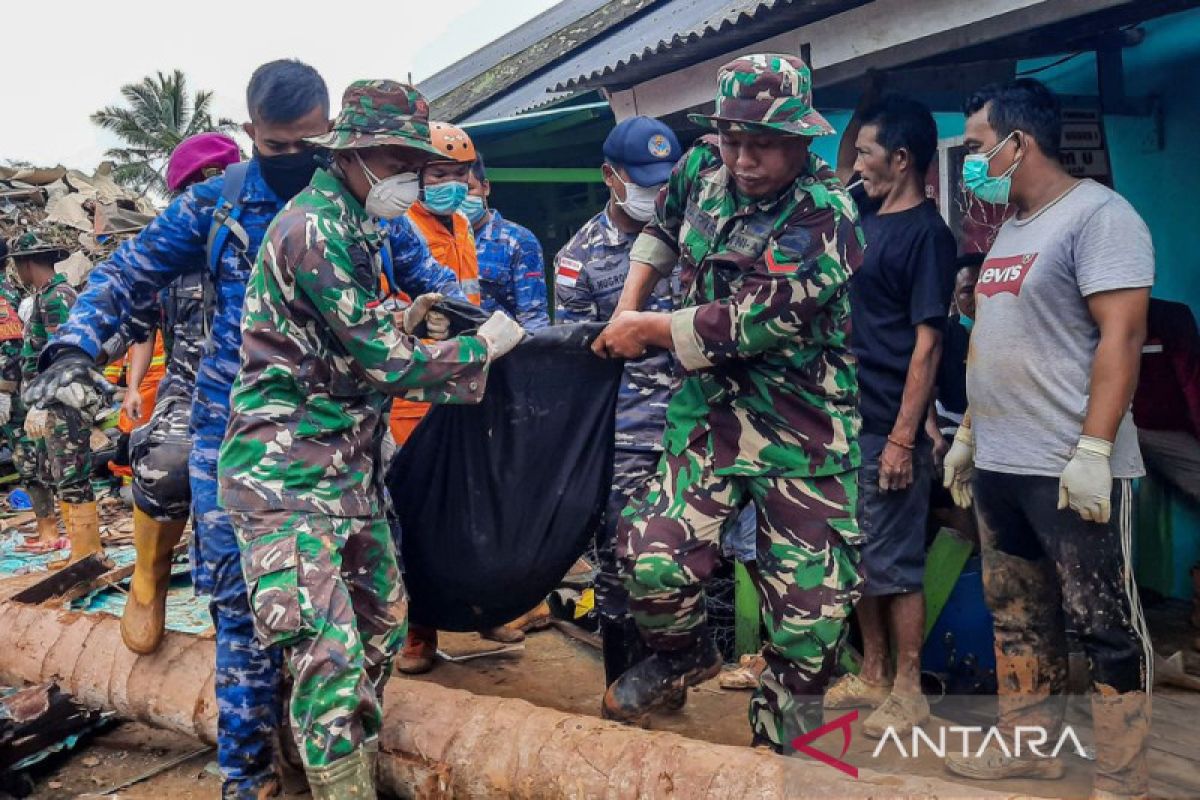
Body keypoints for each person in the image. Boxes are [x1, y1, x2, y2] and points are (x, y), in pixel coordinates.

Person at [27, 59, 333, 799]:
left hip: (336, 449)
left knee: (342, 614)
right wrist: (71, 346)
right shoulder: (211, 210)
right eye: (280, 145)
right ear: (253, 131)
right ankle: (247, 777)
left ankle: (330, 759)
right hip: (230, 446)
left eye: (313, 143)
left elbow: (431, 287)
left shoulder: (350, 197)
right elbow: (125, 274)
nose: (297, 159)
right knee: (241, 620)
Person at [218, 78, 524, 797]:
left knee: (380, 630)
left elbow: (356, 334)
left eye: (411, 163)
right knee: (326, 658)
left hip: (347, 473)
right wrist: (485, 350)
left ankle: (320, 772)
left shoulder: (362, 223)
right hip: (285, 477)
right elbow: (384, 363)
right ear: (352, 156)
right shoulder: (314, 226)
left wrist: (408, 316)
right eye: (394, 161)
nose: (408, 178)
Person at [592, 53, 865, 750]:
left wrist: (644, 330)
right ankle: (686, 655)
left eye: (763, 144)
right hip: (708, 419)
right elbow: (660, 227)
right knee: (652, 559)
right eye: (733, 140)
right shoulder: (699, 169)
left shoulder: (824, 216)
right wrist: (628, 305)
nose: (743, 160)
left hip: (801, 432)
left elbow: (746, 323)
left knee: (808, 627)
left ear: (803, 141)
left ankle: (783, 751)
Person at [941, 78, 1154, 798]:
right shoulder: (1010, 228)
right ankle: (1030, 747)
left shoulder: (1100, 216)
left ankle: (1123, 779)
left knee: (1106, 629)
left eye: (975, 148)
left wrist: (1095, 452)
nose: (970, 162)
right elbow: (998, 340)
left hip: (1070, 468)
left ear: (1016, 143)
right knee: (1018, 617)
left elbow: (1122, 337)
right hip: (1002, 462)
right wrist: (969, 434)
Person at [823, 94, 956, 736]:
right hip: (846, 422)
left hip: (886, 428)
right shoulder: (863, 220)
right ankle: (872, 672)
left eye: (867, 154)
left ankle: (908, 686)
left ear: (901, 159)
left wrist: (906, 435)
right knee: (860, 558)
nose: (856, 167)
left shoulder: (928, 236)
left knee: (897, 563)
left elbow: (928, 344)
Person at [554, 114, 682, 689]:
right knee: (618, 558)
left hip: (697, 424)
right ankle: (622, 684)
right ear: (610, 175)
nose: (658, 193)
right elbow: (581, 363)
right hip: (625, 433)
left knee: (683, 561)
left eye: (667, 180)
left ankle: (673, 672)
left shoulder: (697, 234)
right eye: (646, 180)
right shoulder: (579, 257)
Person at [119, 132, 240, 656]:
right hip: (189, 389)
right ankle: (149, 577)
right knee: (166, 463)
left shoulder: (271, 235)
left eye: (218, 181)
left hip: (267, 387)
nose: (209, 194)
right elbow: (140, 327)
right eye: (197, 185)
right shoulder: (162, 254)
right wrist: (129, 387)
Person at [9, 231, 103, 562]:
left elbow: (64, 356)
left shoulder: (56, 298)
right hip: (54, 401)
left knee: (72, 475)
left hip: (64, 402)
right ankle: (81, 552)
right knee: (63, 474)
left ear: (25, 263)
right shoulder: (48, 296)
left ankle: (87, 555)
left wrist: (43, 403)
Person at [465, 155, 549, 329]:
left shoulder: (518, 241)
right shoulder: (431, 241)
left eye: (469, 189)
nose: (461, 199)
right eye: (455, 192)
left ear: (485, 187)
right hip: (451, 353)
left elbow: (533, 319)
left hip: (503, 352)